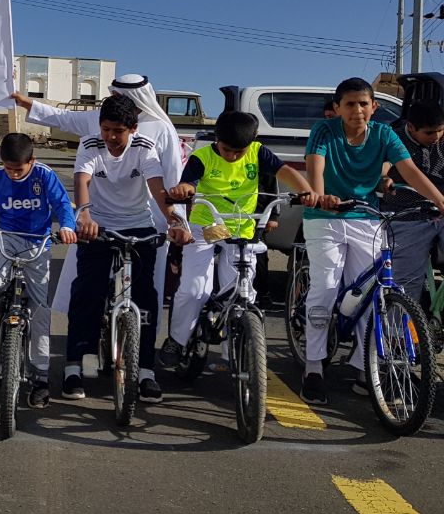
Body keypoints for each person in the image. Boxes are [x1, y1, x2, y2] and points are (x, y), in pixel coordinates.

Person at [300, 78, 444, 405]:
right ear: (337, 108)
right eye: (350, 104)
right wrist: (321, 196)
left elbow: (410, 171)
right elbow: (315, 169)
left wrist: (439, 200)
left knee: (373, 292)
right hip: (327, 219)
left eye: (364, 104)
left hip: (367, 217)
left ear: (374, 107)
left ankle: (366, 368)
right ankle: (313, 367)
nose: (358, 110)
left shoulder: (383, 134)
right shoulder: (324, 132)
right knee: (325, 286)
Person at [14, 74, 183, 339]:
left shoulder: (161, 128)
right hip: (97, 214)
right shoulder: (98, 119)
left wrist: (176, 218)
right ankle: (82, 343)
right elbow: (63, 118)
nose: (114, 99)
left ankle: (141, 345)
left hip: (148, 216)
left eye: (119, 96)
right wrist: (27, 104)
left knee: (144, 288)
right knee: (87, 283)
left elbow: (172, 176)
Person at [158, 112, 314, 368]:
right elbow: (189, 183)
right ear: (216, 139)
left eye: (238, 152)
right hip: (205, 227)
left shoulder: (257, 151)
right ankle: (178, 339)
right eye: (226, 149)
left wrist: (307, 192)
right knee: (195, 289)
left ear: (252, 142)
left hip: (241, 227)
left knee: (243, 291)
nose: (232, 155)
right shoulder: (202, 157)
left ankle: (239, 349)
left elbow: (284, 171)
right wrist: (185, 188)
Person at [65, 96, 191, 404]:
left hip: (139, 226)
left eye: (118, 131)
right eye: (106, 129)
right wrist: (84, 213)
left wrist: (174, 220)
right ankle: (73, 367)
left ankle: (146, 371)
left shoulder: (145, 148)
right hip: (99, 225)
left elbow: (158, 188)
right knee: (87, 294)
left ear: (132, 129)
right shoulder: (90, 144)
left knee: (146, 297)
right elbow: (82, 179)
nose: (110, 137)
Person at [0, 133, 76, 408]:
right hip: (6, 238)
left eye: (19, 169)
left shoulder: (45, 176)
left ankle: (41, 379)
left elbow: (61, 204)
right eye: (8, 167)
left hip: (39, 243)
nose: (12, 174)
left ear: (32, 161)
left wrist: (68, 227)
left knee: (39, 312)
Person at [382, 101, 444, 303]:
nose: (435, 137)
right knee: (405, 281)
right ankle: (400, 332)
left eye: (440, 131)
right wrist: (382, 179)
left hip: (441, 213)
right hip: (407, 215)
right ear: (410, 127)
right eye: (429, 133)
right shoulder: (394, 138)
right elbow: (383, 166)